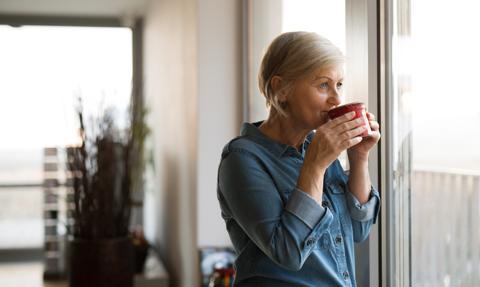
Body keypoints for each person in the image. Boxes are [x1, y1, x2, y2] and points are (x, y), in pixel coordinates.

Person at [216, 31, 381, 287]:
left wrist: (359, 158)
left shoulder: (316, 148)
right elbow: (288, 253)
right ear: (280, 88)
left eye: (339, 85)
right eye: (323, 85)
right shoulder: (241, 160)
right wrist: (314, 166)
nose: (337, 99)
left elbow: (358, 231)